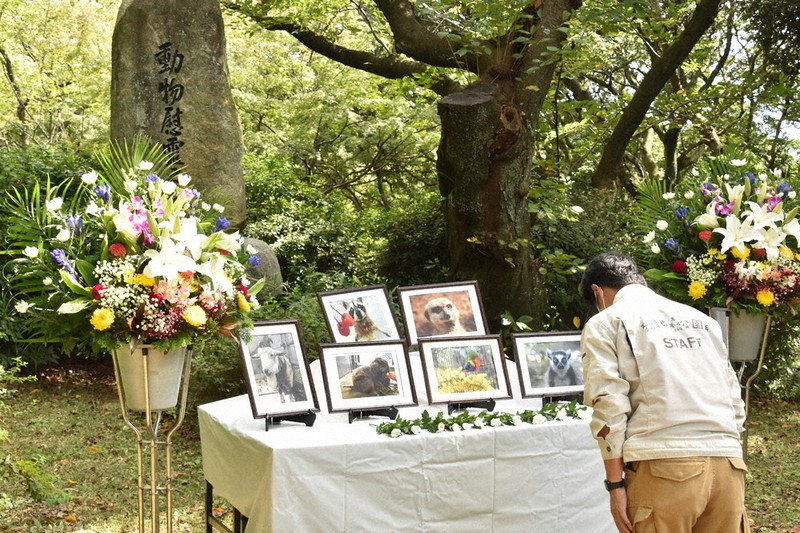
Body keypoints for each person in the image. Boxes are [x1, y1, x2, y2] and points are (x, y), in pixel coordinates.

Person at [579, 252, 749, 532]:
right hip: (728, 464)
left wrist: (615, 485)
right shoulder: (703, 321)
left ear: (597, 292)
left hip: (663, 465)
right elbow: (734, 399)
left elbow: (609, 405)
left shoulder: (607, 321)